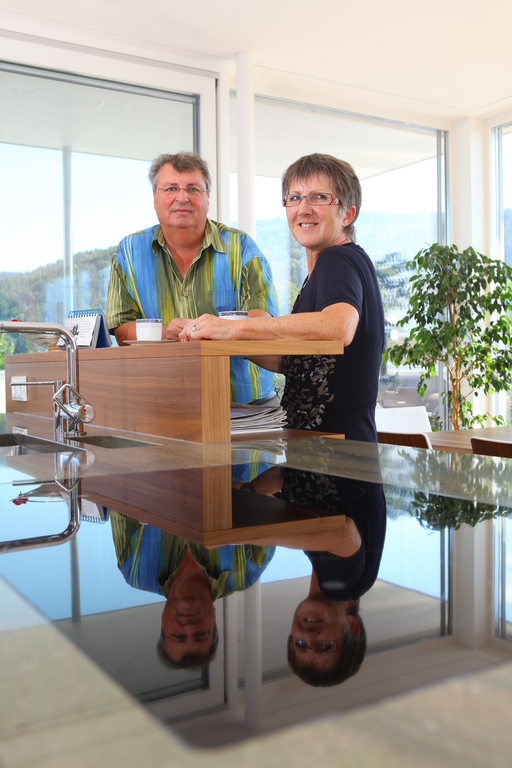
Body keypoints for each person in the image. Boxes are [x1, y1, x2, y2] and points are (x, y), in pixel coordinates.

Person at [180, 153, 385, 442]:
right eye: (294, 198)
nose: (303, 209)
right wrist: (217, 336)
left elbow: (339, 327)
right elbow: (289, 362)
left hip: (336, 455)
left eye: (319, 197)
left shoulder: (336, 258)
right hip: (328, 449)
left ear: (347, 215)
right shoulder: (333, 267)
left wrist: (233, 328)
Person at [106, 151, 279, 405]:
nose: (182, 198)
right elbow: (121, 330)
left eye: (193, 189)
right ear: (154, 197)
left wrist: (218, 330)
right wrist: (165, 333)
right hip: (163, 404)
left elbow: (264, 320)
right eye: (171, 189)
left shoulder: (241, 247)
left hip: (247, 405)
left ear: (207, 198)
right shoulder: (129, 252)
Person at [110, 510, 275, 669]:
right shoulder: (244, 571)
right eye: (200, 634)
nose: (189, 627)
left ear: (163, 626)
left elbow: (118, 497)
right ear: (214, 622)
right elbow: (270, 506)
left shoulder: (136, 570)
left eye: (178, 636)